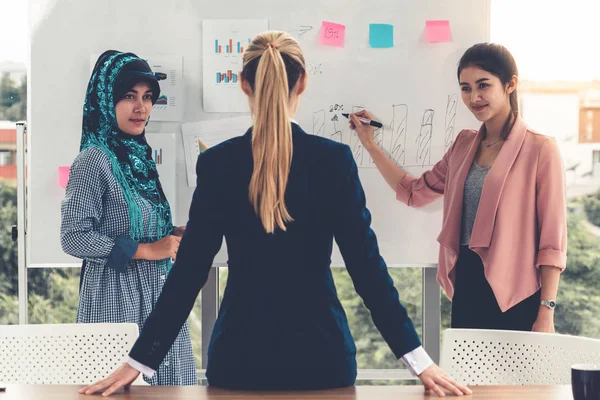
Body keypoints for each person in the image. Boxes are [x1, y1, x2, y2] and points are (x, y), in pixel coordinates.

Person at [80, 32, 471, 397]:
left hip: (239, 359)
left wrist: (137, 361)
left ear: (244, 84)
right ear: (301, 82)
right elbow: (366, 269)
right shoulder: (333, 161)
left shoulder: (217, 164)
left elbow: (189, 273)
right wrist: (418, 361)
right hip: (322, 359)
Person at [350, 43, 566, 332]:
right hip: (467, 285)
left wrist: (546, 311)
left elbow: (552, 242)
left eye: (483, 85)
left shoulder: (540, 148)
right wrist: (369, 144)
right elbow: (414, 192)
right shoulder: (463, 145)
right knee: (468, 379)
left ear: (510, 84)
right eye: (466, 88)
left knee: (515, 380)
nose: (474, 97)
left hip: (518, 296)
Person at [60, 50, 196, 385]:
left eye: (148, 97)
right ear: (106, 100)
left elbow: (136, 223)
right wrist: (148, 250)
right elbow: (73, 236)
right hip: (115, 297)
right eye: (128, 96)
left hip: (158, 295)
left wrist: (175, 232)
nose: (142, 108)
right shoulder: (94, 160)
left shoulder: (139, 158)